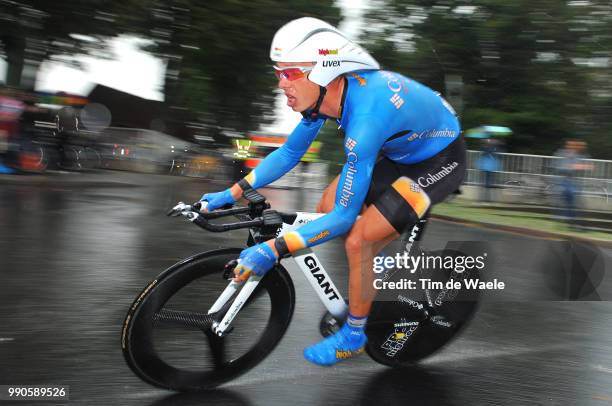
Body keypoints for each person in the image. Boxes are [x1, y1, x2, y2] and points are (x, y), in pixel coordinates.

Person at [200, 17, 466, 366]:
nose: (281, 83)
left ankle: (354, 335)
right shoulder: (323, 101)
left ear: (326, 71)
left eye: (290, 73)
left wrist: (274, 249)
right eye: (278, 73)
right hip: (401, 150)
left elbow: (342, 220)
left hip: (440, 159)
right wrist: (234, 191)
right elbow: (290, 153)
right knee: (326, 203)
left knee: (359, 239)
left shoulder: (366, 119)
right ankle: (377, 267)